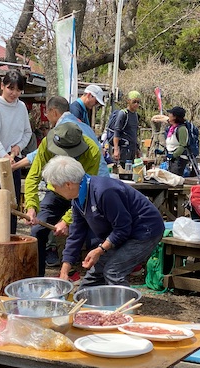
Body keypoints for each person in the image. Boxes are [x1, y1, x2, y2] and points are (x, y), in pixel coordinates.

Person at [41, 156, 164, 288]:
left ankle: (126, 306)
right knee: (96, 271)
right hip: (123, 232)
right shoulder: (78, 198)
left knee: (113, 271)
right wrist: (64, 271)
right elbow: (76, 234)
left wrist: (100, 250)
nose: (54, 191)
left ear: (68, 184)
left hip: (145, 231)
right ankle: (82, 301)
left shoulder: (104, 192)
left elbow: (122, 228)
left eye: (55, 187)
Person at [24, 122, 101, 276]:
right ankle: (36, 279)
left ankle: (93, 281)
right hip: (57, 193)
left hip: (82, 195)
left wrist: (66, 220)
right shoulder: (47, 142)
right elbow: (33, 175)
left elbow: (85, 189)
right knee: (38, 231)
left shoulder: (92, 151)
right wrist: (32, 206)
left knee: (92, 237)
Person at [0, 70, 32, 234]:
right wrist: (4, 155)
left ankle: (10, 243)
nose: (14, 93)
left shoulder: (21, 106)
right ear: (2, 86)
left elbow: (27, 133)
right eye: (11, 88)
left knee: (11, 206)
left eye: (18, 90)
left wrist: (18, 147)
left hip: (12, 162)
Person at [153, 106, 189, 176]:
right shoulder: (171, 128)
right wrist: (163, 152)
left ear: (175, 117)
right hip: (171, 160)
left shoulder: (182, 129)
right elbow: (171, 145)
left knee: (175, 181)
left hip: (179, 160)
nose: (169, 115)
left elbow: (182, 146)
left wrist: (173, 155)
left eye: (170, 114)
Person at [110, 90, 142, 167]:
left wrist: (137, 149)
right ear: (128, 101)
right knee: (123, 172)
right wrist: (116, 149)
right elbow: (117, 131)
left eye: (138, 102)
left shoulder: (136, 115)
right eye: (134, 102)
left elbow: (134, 133)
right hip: (123, 149)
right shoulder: (123, 114)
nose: (136, 104)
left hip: (132, 149)